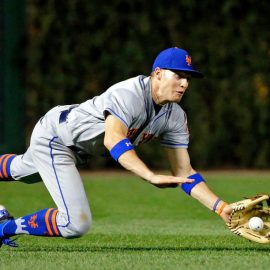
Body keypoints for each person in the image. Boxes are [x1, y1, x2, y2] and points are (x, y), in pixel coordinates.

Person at [0, 47, 232, 248]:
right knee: (75, 222)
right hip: (57, 139)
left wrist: (221, 208)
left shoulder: (175, 117)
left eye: (188, 78)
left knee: (21, 170)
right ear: (158, 74)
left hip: (78, 149)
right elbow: (113, 139)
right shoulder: (129, 94)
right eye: (178, 75)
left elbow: (184, 172)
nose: (184, 83)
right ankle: (4, 228)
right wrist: (150, 176)